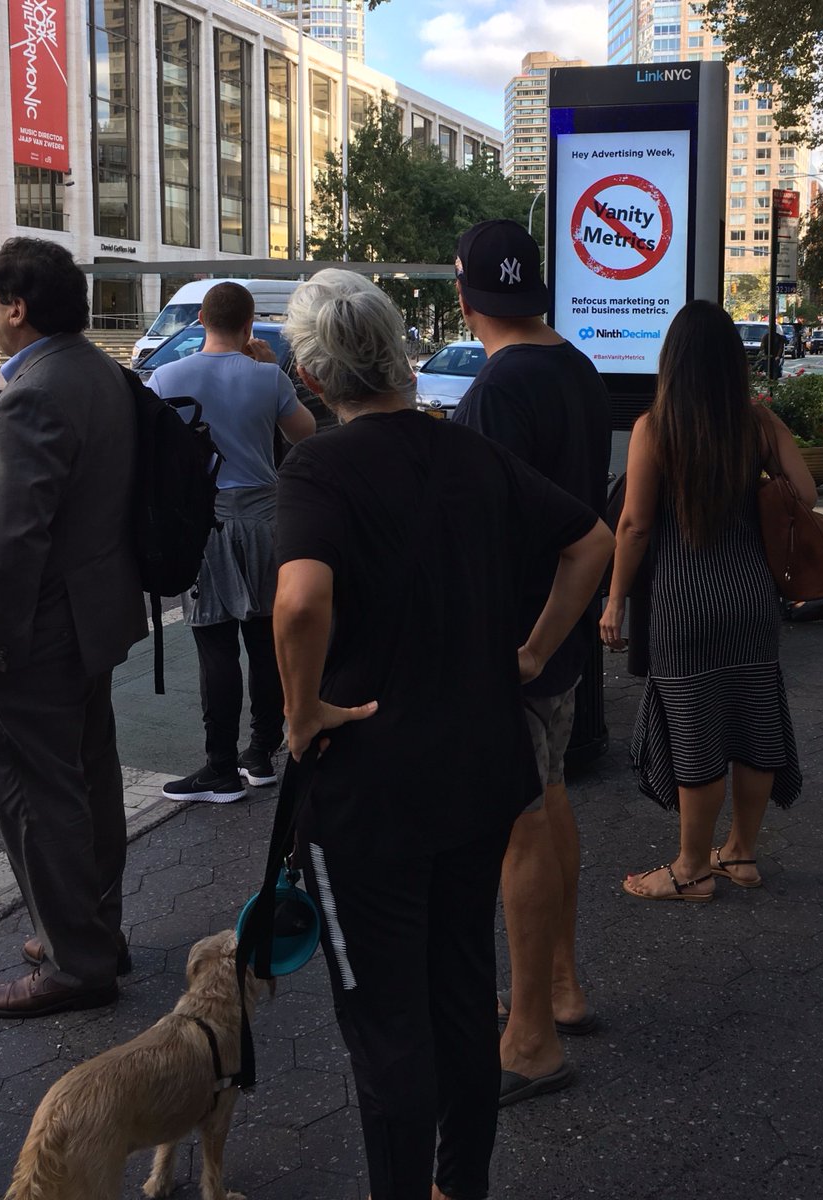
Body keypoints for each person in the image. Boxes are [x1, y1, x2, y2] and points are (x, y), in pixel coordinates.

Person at [273, 269, 613, 1200]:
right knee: (461, 992)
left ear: (310, 374)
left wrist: (302, 711)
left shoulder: (319, 469)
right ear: (399, 355)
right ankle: (460, 1184)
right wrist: (533, 651)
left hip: (369, 788)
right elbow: (591, 540)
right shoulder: (470, 452)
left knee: (385, 1023)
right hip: (477, 767)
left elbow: (300, 601)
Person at [451, 219, 612, 1105]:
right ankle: (560, 987)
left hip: (514, 639)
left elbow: (484, 531)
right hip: (560, 630)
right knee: (548, 802)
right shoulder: (576, 368)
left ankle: (531, 1040)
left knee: (519, 826)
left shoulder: (498, 389)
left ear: (465, 295)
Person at [0, 238, 148, 1016]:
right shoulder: (102, 372)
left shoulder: (32, 396)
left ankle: (76, 962)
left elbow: (10, 545)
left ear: (17, 307)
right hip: (93, 617)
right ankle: (92, 931)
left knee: (38, 795)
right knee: (89, 779)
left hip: (36, 633)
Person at [601, 299, 808, 902]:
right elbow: (806, 493)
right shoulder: (759, 424)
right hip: (751, 597)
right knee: (755, 725)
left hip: (683, 604)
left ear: (674, 361)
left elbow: (634, 526)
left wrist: (614, 601)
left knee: (696, 733)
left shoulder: (654, 428)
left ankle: (690, 869)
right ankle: (740, 854)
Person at [149, 283, 316, 803]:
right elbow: (305, 433)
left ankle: (219, 767)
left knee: (214, 643)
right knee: (265, 641)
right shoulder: (268, 377)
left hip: (206, 520)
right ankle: (261, 753)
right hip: (266, 520)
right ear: (249, 325)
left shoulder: (166, 377)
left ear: (201, 319)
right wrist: (269, 372)